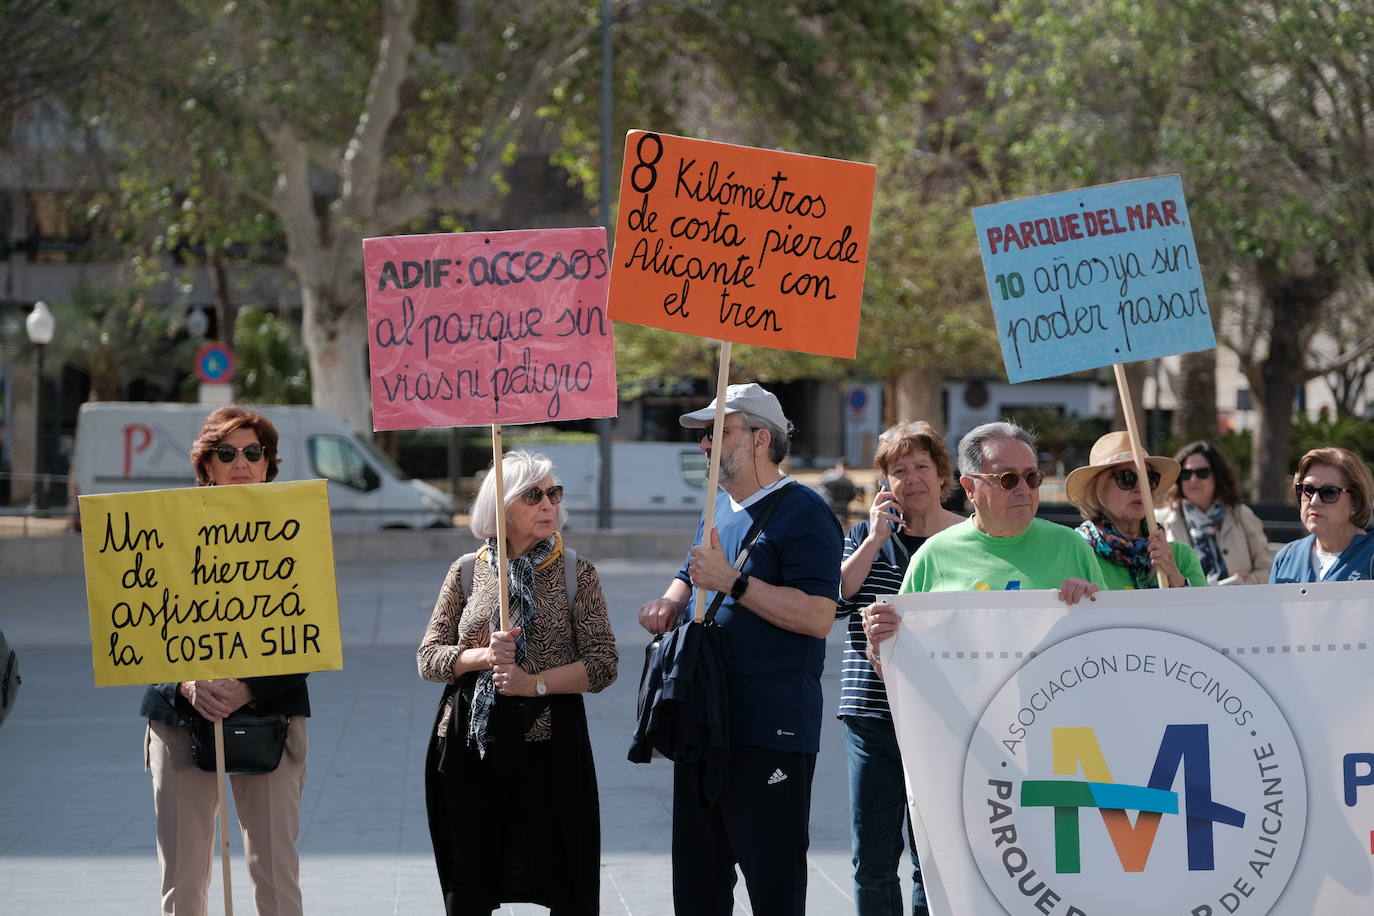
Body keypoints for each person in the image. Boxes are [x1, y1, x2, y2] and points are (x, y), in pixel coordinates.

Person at [638, 382, 842, 916]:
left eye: (716, 433)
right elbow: (690, 572)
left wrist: (735, 584)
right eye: (703, 436)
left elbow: (820, 617)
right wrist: (668, 601)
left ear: (759, 439)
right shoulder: (715, 508)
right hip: (704, 724)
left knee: (773, 888)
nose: (704, 445)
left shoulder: (806, 513)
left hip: (769, 730)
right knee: (698, 889)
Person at [419, 450, 617, 915]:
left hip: (550, 745)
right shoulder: (468, 569)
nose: (549, 504)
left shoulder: (576, 571)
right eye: (534, 495)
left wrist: (533, 684)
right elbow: (428, 658)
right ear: (501, 504)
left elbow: (604, 664)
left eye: (554, 493)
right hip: (470, 743)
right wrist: (480, 656)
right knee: (469, 884)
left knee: (565, 878)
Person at [140, 406, 309, 916]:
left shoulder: (295, 528)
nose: (241, 461)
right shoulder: (165, 528)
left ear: (268, 463)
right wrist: (189, 682)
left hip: (272, 713)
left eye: (253, 452)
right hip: (181, 718)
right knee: (184, 880)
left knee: (276, 874)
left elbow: (310, 629)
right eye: (227, 452)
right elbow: (139, 624)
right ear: (205, 465)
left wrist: (250, 687)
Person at [836, 421, 963, 916]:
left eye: (921, 468)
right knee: (874, 855)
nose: (911, 479)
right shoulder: (864, 536)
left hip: (945, 714)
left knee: (932, 855)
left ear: (941, 474)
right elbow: (835, 601)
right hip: (872, 713)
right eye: (898, 470)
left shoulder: (966, 538)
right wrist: (873, 540)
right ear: (884, 482)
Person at [863, 421, 1105, 661]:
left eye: (1031, 477)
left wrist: (1090, 606)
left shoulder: (1072, 546)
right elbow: (899, 667)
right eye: (1008, 479)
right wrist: (878, 647)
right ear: (969, 487)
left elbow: (1110, 646)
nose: (1023, 489)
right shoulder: (933, 555)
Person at [1064, 431, 1205, 589]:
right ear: (1098, 487)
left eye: (1148, 478)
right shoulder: (1077, 551)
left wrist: (1175, 577)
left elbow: (1207, 612)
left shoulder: (1181, 557)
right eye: (1126, 477)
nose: (1140, 488)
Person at [1156, 440, 1274, 584]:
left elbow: (1268, 568)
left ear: (1217, 475)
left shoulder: (1241, 514)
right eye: (1186, 474)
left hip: (1238, 603)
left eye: (1202, 472)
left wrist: (1246, 582)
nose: (1193, 479)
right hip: (1187, 604)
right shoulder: (1161, 520)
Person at [1270, 446, 1374, 583]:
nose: (1314, 501)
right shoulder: (1286, 557)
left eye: (1329, 492)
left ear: (1355, 501)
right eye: (1308, 489)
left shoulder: (1369, 555)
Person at [820, 456, 860, 523]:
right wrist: (840, 474)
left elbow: (853, 493)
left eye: (845, 466)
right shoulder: (829, 474)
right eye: (843, 466)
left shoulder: (848, 479)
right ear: (837, 465)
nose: (845, 468)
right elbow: (823, 487)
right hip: (829, 505)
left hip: (843, 506)